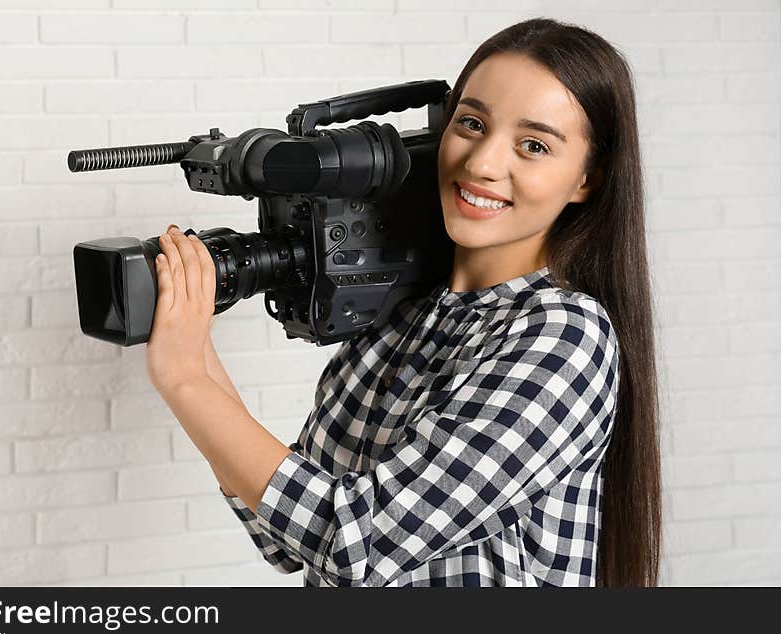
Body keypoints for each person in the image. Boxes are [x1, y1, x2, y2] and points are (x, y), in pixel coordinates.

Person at [146, 17, 662, 587]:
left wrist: (187, 380)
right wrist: (192, 342)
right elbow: (286, 538)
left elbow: (357, 546)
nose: (483, 163)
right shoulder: (400, 321)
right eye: (471, 123)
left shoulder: (563, 339)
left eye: (533, 145)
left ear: (587, 178)